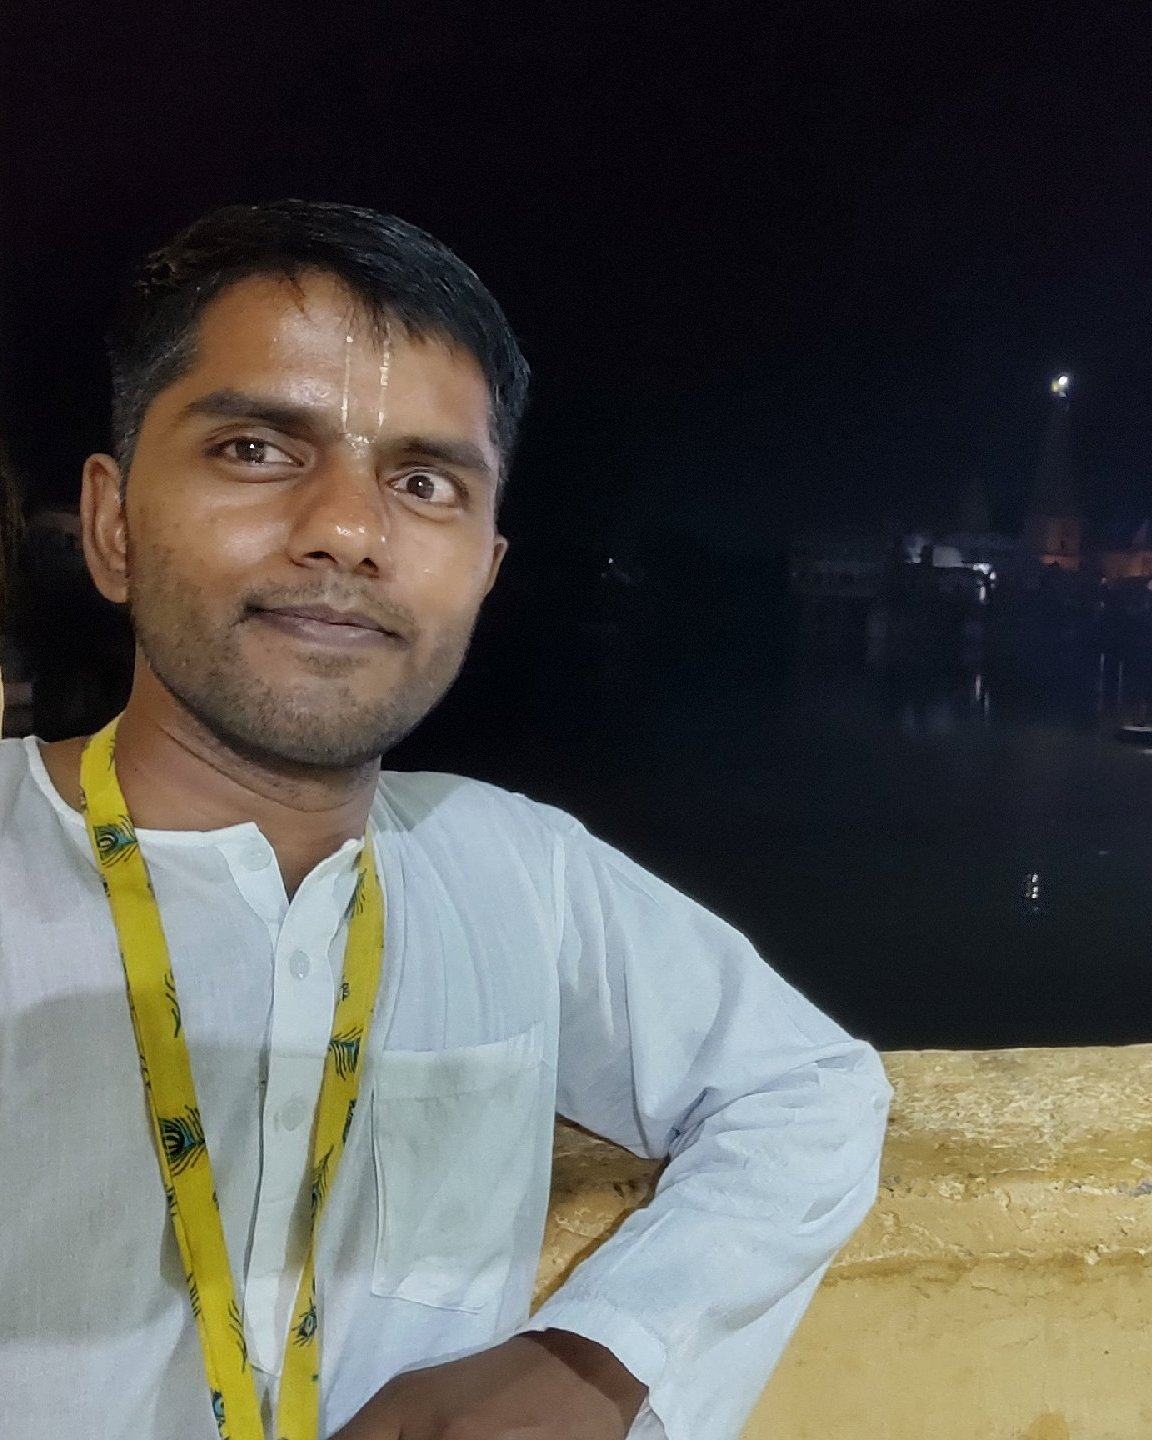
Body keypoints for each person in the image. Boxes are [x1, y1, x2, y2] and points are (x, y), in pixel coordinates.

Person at [0, 201, 890, 1440]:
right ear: (112, 527)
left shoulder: (518, 871)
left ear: (483, 571)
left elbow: (810, 1090)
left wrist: (598, 1359)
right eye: (257, 448)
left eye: (423, 483)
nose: (348, 531)